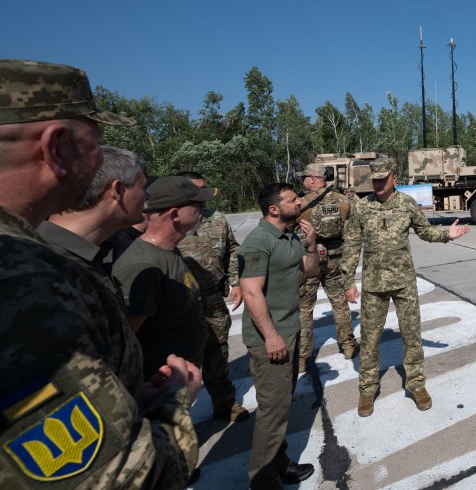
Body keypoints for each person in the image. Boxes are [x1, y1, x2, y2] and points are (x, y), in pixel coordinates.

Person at [0, 58, 201, 488]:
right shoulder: (28, 283)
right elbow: (128, 477)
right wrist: (173, 402)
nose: (101, 156)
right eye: (94, 140)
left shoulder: (39, 256)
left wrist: (124, 399)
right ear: (58, 147)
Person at [342, 158, 470, 417]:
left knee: (412, 335)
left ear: (394, 178)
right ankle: (367, 390)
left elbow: (425, 232)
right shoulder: (361, 207)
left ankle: (416, 384)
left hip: (403, 283)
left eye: (382, 178)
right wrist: (347, 281)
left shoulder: (407, 204)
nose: (377, 183)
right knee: (369, 339)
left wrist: (447, 235)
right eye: (374, 179)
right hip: (374, 284)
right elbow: (352, 245)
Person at [238, 183, 320, 489]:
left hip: (290, 329)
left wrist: (310, 244)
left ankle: (280, 463)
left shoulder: (290, 234)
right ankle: (262, 482)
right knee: (272, 414)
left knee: (281, 406)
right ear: (274, 209)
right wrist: (271, 336)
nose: (299, 202)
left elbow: (310, 272)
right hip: (269, 339)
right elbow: (250, 292)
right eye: (292, 199)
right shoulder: (258, 242)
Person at [111, 176, 212, 377]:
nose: (203, 208)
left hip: (177, 384)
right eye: (198, 204)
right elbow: (124, 342)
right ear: (174, 214)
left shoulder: (168, 251)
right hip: (157, 390)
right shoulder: (142, 265)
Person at [176, 171, 250, 424]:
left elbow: (232, 249)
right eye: (197, 193)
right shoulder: (171, 222)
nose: (203, 199)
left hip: (214, 300)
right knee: (182, 364)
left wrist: (235, 281)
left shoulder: (216, 219)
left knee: (218, 353)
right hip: (182, 306)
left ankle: (225, 403)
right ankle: (177, 421)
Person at [38, 145, 148, 298]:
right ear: (117, 190)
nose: (147, 196)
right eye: (143, 187)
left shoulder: (85, 256)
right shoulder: (42, 268)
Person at [295, 163, 359, 369]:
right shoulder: (343, 201)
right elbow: (353, 230)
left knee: (304, 307)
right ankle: (348, 345)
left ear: (312, 179)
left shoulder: (301, 203)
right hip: (335, 258)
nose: (303, 180)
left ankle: (303, 357)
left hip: (309, 260)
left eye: (304, 177)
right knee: (339, 302)